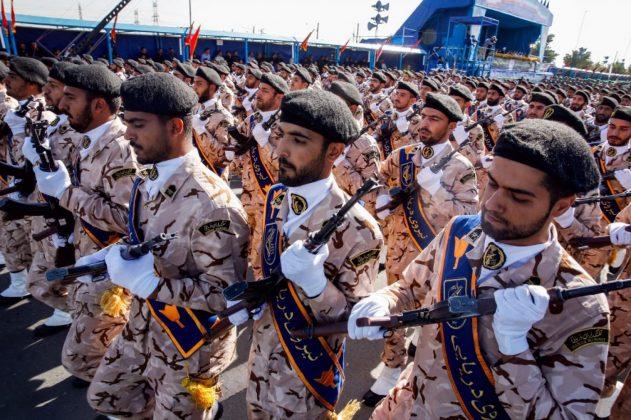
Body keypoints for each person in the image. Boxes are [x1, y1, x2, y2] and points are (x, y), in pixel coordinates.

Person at [350, 119, 610, 419]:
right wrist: (384, 300)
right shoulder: (461, 231)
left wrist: (514, 349)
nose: (493, 203)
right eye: (494, 183)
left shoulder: (582, 306)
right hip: (405, 406)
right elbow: (409, 288)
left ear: (561, 207)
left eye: (518, 196)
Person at [82, 72, 249, 419]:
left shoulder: (213, 206)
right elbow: (146, 238)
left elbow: (228, 297)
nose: (127, 133)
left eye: (138, 124)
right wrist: (112, 255)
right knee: (106, 397)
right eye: (127, 122)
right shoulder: (149, 177)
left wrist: (151, 284)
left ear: (175, 127)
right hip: (144, 324)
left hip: (189, 345)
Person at [228, 89, 383, 419]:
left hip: (306, 376)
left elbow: (355, 322)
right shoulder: (277, 196)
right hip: (260, 359)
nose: (280, 150)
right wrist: (253, 297)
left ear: (334, 151)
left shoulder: (361, 230)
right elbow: (267, 265)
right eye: (281, 135)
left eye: (298, 140)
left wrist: (316, 286)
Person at [29, 64, 138, 386]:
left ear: (99, 104)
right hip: (85, 252)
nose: (62, 105)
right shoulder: (87, 139)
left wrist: (66, 193)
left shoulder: (121, 148)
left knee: (78, 357)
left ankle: (126, 390)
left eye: (71, 98)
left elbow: (128, 219)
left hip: (109, 263)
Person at [367, 93, 478, 405]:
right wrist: (381, 199)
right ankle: (391, 368)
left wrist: (436, 188)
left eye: (434, 119)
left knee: (431, 319)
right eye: (424, 117)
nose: (424, 124)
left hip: (437, 257)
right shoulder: (403, 155)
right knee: (394, 312)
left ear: (452, 126)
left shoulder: (461, 167)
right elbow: (377, 179)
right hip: (398, 251)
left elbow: (470, 217)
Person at [22, 61, 83, 336]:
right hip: (50, 214)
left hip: (69, 219)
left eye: (55, 86)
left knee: (46, 278)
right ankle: (72, 313)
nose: (46, 90)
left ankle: (76, 313)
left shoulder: (79, 131)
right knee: (43, 277)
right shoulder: (56, 122)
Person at [0, 57, 55, 305]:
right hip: (18, 185)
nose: (7, 80)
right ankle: (21, 283)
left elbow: (39, 160)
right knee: (14, 239)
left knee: (42, 250)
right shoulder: (20, 110)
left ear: (31, 83)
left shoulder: (40, 113)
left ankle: (62, 306)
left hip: (37, 192)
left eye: (14, 77)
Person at [228, 73, 288, 278]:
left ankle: (262, 294)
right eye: (259, 89)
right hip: (246, 197)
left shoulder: (287, 126)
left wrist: (265, 143)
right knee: (240, 249)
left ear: (279, 97)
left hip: (270, 202)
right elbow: (239, 152)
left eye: (265, 91)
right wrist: (233, 158)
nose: (258, 94)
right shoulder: (252, 120)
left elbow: (286, 166)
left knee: (262, 257)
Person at [190, 66, 234, 175]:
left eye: (199, 84)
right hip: (192, 172)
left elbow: (224, 157)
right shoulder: (194, 108)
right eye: (194, 83)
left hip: (211, 176)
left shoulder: (223, 116)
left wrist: (201, 130)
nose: (194, 87)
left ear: (212, 87)